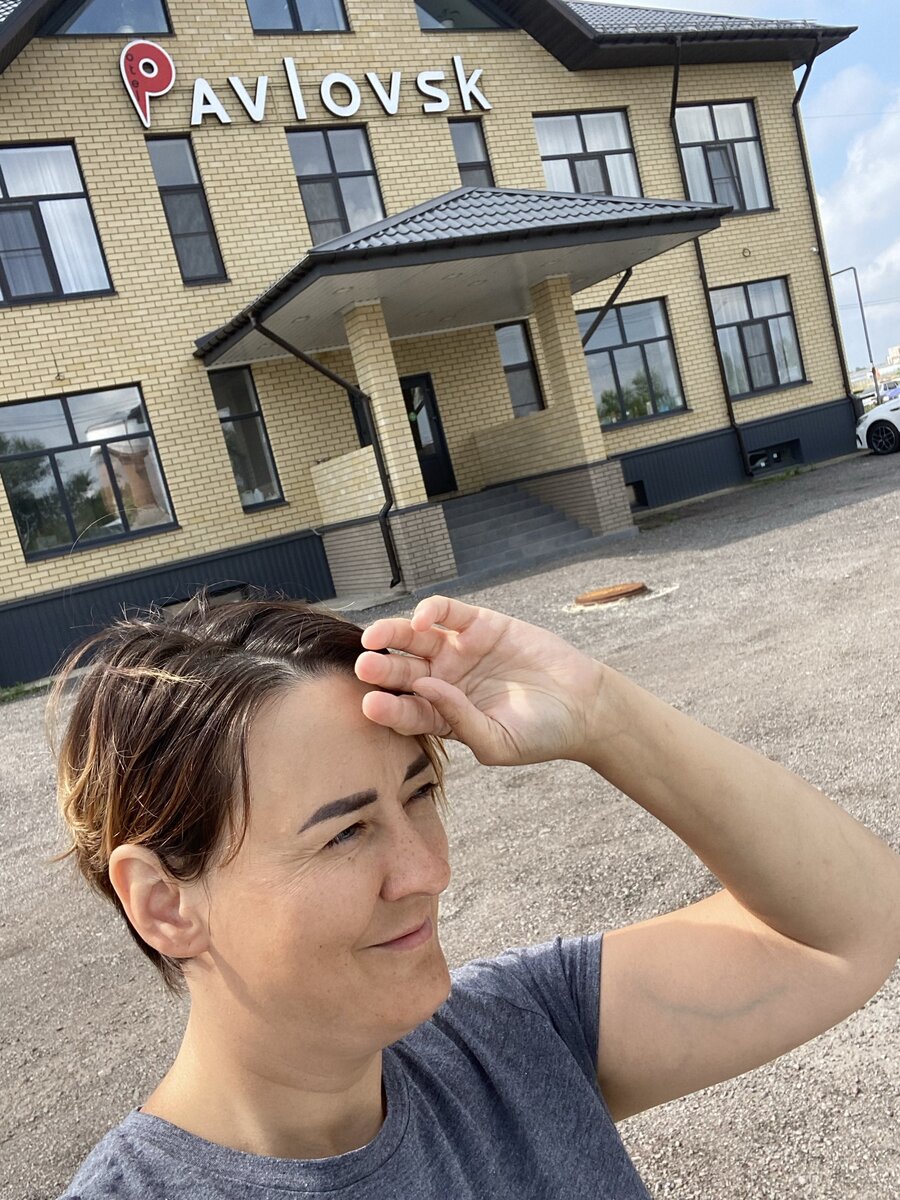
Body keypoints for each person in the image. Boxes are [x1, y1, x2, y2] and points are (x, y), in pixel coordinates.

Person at [52, 593, 899, 1199]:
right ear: (164, 904)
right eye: (344, 833)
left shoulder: (514, 1038)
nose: (427, 871)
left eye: (419, 793)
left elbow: (849, 928)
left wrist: (602, 715)